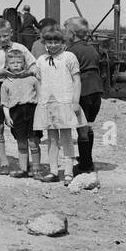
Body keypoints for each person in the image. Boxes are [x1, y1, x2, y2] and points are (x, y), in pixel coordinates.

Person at [0, 22, 37, 174]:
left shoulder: (20, 48)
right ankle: (4, 163)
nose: (2, 39)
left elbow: (34, 65)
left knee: (22, 124)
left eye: (5, 35)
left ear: (11, 33)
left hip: (20, 87)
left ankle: (26, 164)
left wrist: (25, 74)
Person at [31, 25, 87, 184]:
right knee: (52, 138)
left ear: (63, 42)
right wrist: (40, 101)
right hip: (48, 103)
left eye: (56, 41)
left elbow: (77, 81)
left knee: (67, 138)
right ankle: (54, 171)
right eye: (49, 41)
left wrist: (75, 101)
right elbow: (39, 81)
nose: (53, 45)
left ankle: (68, 172)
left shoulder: (69, 57)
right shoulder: (41, 60)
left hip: (65, 102)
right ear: (44, 43)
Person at [65, 17, 103, 178]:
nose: (64, 32)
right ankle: (87, 158)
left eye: (65, 29)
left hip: (83, 91)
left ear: (72, 33)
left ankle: (85, 165)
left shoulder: (72, 51)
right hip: (96, 90)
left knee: (81, 129)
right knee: (88, 126)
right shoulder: (91, 48)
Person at [0, 45, 42, 179]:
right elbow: (5, 103)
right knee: (22, 142)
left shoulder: (32, 79)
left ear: (24, 63)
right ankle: (23, 169)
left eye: (19, 62)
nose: (16, 65)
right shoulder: (6, 83)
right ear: (7, 65)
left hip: (32, 111)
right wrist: (7, 117)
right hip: (16, 113)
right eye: (12, 63)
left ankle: (36, 168)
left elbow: (40, 97)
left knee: (33, 141)